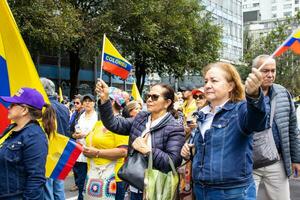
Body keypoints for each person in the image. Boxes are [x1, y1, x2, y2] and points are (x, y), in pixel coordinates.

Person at [181, 62, 268, 200]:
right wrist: (190, 150)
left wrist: (254, 96)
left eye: (214, 80)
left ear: (230, 86)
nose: (207, 85)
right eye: (206, 81)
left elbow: (258, 121)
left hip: (232, 193)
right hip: (201, 190)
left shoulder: (241, 110)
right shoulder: (202, 114)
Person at [96, 80, 185, 200]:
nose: (149, 99)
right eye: (148, 96)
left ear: (167, 102)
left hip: (156, 190)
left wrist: (147, 151)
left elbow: (172, 162)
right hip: (134, 184)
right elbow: (113, 124)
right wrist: (105, 100)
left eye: (155, 97)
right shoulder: (141, 118)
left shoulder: (175, 127)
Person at [248, 55, 300, 200]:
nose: (270, 75)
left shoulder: (283, 93)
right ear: (255, 71)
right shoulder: (242, 94)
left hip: (277, 161)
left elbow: (292, 128)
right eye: (265, 71)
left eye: (273, 71)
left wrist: (296, 159)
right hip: (249, 163)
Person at [0, 87, 56, 199]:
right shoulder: (12, 128)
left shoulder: (35, 136)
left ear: (24, 110)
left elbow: (36, 178)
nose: (8, 107)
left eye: (13, 104)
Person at [83, 87, 129, 200]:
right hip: (94, 174)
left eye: (102, 98)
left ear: (112, 102)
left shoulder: (120, 123)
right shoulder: (98, 123)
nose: (99, 102)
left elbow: (123, 151)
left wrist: (97, 152)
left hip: (112, 178)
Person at [41, 77, 70, 200]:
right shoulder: (64, 108)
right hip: (61, 151)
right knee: (58, 188)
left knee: (47, 190)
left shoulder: (44, 108)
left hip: (49, 152)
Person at [72, 94, 98, 200]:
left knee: (89, 181)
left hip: (90, 153)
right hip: (78, 152)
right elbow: (74, 132)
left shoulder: (97, 117)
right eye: (85, 101)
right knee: (80, 181)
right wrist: (75, 135)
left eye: (90, 101)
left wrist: (85, 134)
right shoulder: (80, 115)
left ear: (94, 103)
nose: (87, 103)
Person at [69, 94, 84, 192]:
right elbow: (71, 126)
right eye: (74, 103)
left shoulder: (83, 115)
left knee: (80, 165)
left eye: (77, 103)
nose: (75, 104)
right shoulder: (74, 113)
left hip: (80, 142)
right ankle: (77, 183)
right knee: (74, 164)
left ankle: (80, 184)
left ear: (82, 104)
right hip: (73, 140)